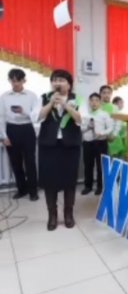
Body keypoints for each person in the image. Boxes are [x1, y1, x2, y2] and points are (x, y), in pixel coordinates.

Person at [37, 70, 82, 231]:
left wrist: (65, 105)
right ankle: (52, 215)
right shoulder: (44, 98)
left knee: (69, 181)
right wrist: (50, 104)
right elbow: (38, 117)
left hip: (70, 146)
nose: (57, 83)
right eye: (55, 80)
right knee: (50, 181)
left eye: (61, 80)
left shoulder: (77, 99)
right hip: (48, 145)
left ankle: (68, 214)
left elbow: (80, 119)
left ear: (69, 84)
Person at [0, 69, 40, 201]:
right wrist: (4, 136)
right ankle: (22, 189)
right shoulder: (4, 96)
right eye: (13, 81)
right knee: (15, 162)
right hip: (11, 130)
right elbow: (1, 117)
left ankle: (33, 191)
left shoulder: (32, 96)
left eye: (18, 80)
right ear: (9, 81)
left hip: (27, 129)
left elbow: (36, 116)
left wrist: (24, 112)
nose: (15, 83)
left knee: (30, 162)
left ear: (24, 81)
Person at [81, 93, 114, 196]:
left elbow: (110, 128)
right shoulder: (85, 115)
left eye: (96, 100)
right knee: (88, 165)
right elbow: (81, 129)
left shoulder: (104, 114)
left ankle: (100, 186)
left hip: (100, 142)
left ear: (100, 102)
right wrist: (88, 127)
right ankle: (88, 186)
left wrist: (102, 133)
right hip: (87, 142)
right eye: (92, 100)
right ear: (89, 102)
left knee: (101, 166)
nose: (94, 103)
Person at [100, 85, 123, 159]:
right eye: (104, 93)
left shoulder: (114, 107)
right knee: (103, 161)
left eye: (108, 93)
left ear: (111, 94)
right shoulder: (98, 107)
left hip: (114, 138)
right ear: (100, 94)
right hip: (101, 139)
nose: (106, 95)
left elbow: (118, 122)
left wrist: (114, 135)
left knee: (115, 161)